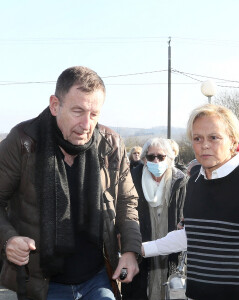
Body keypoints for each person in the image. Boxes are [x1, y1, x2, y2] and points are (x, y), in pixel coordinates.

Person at [0, 66, 142, 300]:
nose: (87, 124)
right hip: (44, 285)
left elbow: (127, 202)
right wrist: (8, 239)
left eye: (94, 114)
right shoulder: (23, 142)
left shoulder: (111, 145)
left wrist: (130, 250)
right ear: (55, 105)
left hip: (98, 278)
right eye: (78, 111)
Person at [142, 104, 239, 300]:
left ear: (232, 140)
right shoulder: (194, 180)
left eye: (214, 137)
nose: (204, 145)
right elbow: (194, 235)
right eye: (197, 138)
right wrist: (142, 248)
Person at [122, 137, 187, 300]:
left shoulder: (181, 182)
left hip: (172, 252)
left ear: (170, 158)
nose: (156, 160)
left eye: (161, 156)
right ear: (144, 159)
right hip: (142, 254)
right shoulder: (132, 180)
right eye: (151, 157)